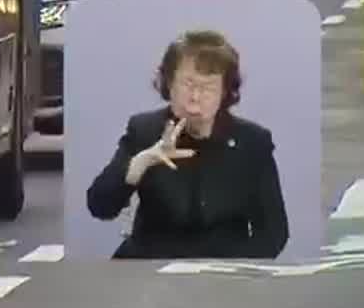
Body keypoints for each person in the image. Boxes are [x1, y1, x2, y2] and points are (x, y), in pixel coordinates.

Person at [86, 29, 289, 259]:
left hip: (222, 273)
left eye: (208, 87)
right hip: (151, 269)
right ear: (168, 84)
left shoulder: (252, 142)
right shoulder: (144, 130)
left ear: (225, 93)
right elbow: (100, 206)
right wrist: (140, 164)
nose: (195, 97)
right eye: (187, 83)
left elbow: (274, 234)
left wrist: (230, 272)